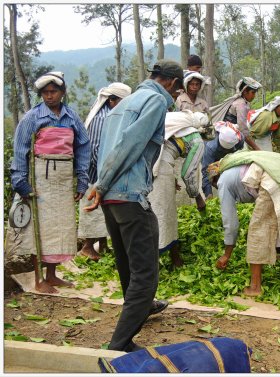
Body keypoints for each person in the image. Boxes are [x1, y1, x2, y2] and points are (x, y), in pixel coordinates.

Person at [84, 59, 184, 352]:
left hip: (112, 197)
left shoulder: (122, 105)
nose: (175, 98)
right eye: (177, 92)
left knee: (127, 263)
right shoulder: (154, 100)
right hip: (128, 193)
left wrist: (101, 186)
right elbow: (130, 144)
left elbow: (106, 149)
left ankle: (143, 307)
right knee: (146, 275)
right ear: (172, 83)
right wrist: (101, 186)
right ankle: (120, 344)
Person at [8, 71, 90, 294]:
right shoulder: (32, 118)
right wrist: (21, 181)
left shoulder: (71, 117)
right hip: (40, 179)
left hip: (63, 179)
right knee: (40, 229)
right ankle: (38, 278)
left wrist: (82, 180)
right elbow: (20, 151)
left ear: (62, 93)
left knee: (60, 227)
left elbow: (83, 147)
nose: (49, 96)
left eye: (53, 91)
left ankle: (52, 275)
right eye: (45, 92)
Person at [209, 151, 280, 296]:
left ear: (215, 178)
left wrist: (227, 254)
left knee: (258, 232)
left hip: (273, 182)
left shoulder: (223, 181)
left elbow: (230, 222)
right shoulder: (243, 163)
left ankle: (255, 287)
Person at [78, 82, 132, 261]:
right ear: (111, 100)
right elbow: (95, 147)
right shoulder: (102, 118)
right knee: (93, 207)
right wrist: (104, 173)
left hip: (104, 169)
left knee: (103, 209)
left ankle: (102, 244)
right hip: (95, 171)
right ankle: (87, 246)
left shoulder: (113, 114)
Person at [149, 110, 208, 267]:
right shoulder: (196, 140)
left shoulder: (176, 129)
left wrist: (171, 177)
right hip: (160, 169)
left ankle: (173, 258)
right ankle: (152, 264)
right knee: (163, 215)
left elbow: (164, 151)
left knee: (152, 212)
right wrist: (197, 197)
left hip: (149, 165)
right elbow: (188, 172)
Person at [210, 77, 262, 151]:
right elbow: (243, 130)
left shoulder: (241, 102)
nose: (254, 96)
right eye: (253, 93)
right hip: (227, 138)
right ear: (245, 92)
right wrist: (256, 148)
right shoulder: (241, 104)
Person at [201, 121, 245, 199]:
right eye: (224, 150)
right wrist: (209, 194)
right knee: (213, 176)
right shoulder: (211, 147)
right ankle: (219, 190)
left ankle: (233, 193)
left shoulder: (239, 139)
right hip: (213, 155)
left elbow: (240, 159)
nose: (226, 151)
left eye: (228, 150)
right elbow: (206, 171)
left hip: (232, 156)